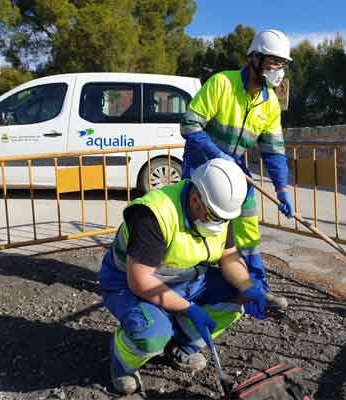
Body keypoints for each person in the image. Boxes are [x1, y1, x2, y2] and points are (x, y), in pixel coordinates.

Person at [98, 159, 269, 395]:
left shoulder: (220, 210)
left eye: (223, 218)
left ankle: (181, 345)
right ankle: (123, 360)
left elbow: (229, 256)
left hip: (182, 280)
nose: (219, 224)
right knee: (151, 332)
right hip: (128, 285)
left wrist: (247, 286)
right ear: (196, 198)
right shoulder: (154, 214)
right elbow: (140, 280)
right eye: (213, 216)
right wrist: (189, 308)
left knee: (238, 297)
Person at [180, 28, 295, 301]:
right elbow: (190, 124)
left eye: (282, 64)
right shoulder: (222, 84)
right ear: (254, 59)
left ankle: (256, 289)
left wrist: (282, 189)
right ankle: (185, 287)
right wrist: (219, 156)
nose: (278, 70)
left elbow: (274, 150)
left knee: (248, 230)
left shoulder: (270, 105)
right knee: (197, 228)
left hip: (236, 174)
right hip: (200, 171)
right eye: (273, 63)